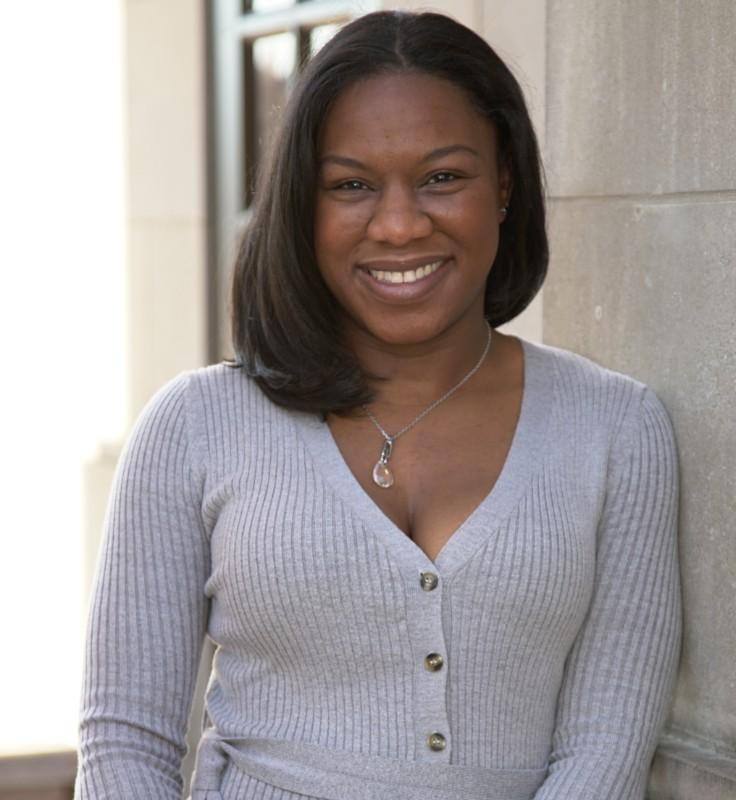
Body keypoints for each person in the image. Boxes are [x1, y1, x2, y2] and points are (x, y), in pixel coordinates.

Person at [75, 10, 681, 800]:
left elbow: (607, 745)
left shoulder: (617, 430)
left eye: (442, 177)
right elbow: (124, 741)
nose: (398, 225)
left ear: (503, 183)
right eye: (351, 185)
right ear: (304, 204)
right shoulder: (196, 426)